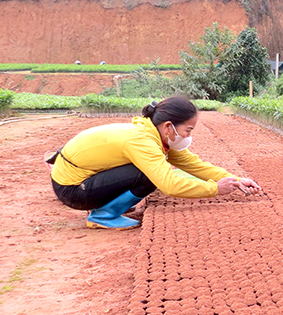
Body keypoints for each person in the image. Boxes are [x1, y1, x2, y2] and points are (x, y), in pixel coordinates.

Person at [49, 96, 262, 230]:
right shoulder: (142, 141)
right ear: (169, 126)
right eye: (188, 130)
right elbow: (169, 184)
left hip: (79, 179)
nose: (188, 136)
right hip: (73, 189)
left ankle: (109, 204)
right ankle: (103, 215)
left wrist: (234, 179)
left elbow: (193, 164)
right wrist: (215, 189)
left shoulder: (154, 134)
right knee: (149, 176)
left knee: (151, 170)